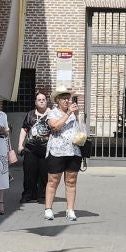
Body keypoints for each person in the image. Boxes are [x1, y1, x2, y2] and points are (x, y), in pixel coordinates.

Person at [43, 90, 84, 221]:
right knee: (53, 180)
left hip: (73, 151)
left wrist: (77, 116)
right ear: (57, 101)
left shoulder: (75, 113)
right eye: (63, 98)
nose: (67, 101)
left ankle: (70, 209)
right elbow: (55, 127)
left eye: (68, 98)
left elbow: (82, 130)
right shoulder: (52, 113)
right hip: (57, 151)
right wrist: (68, 114)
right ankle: (48, 209)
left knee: (71, 181)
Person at [17, 91, 51, 203]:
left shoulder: (51, 114)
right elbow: (24, 129)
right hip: (30, 148)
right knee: (29, 173)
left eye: (43, 99)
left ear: (46, 101)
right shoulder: (30, 114)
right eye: (39, 99)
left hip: (46, 149)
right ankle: (28, 194)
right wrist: (20, 145)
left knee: (44, 173)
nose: (41, 101)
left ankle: (42, 195)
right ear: (35, 102)